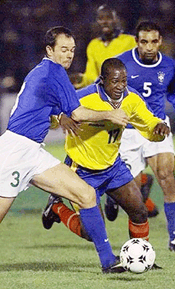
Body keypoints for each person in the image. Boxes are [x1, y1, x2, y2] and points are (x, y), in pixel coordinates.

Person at [0, 26, 132, 274]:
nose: (69, 54)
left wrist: (59, 116)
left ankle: (108, 262)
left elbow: (45, 106)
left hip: (33, 153)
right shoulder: (53, 71)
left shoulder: (45, 71)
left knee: (86, 194)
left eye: (72, 50)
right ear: (49, 50)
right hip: (15, 152)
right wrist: (110, 114)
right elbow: (78, 112)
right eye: (63, 49)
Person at [42, 58, 170, 261]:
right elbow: (50, 112)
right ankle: (56, 208)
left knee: (140, 212)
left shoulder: (132, 99)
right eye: (115, 82)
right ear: (102, 80)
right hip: (81, 171)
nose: (120, 87)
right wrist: (59, 117)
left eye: (124, 81)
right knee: (91, 233)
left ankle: (142, 260)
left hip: (113, 167)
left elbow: (149, 123)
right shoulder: (84, 97)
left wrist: (159, 129)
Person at [106, 21, 175, 252]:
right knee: (133, 196)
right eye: (144, 41)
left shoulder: (169, 65)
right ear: (136, 42)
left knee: (167, 178)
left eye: (154, 41)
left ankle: (174, 241)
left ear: (160, 41)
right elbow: (102, 90)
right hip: (129, 132)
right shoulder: (122, 63)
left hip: (157, 128)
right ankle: (138, 247)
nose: (149, 47)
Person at [70, 3, 158, 216]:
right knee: (87, 150)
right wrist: (80, 79)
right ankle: (141, 198)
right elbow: (93, 76)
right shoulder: (93, 46)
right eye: (101, 18)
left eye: (109, 17)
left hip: (132, 104)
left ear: (117, 19)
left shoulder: (129, 42)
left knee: (125, 165)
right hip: (106, 105)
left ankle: (130, 197)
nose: (105, 22)